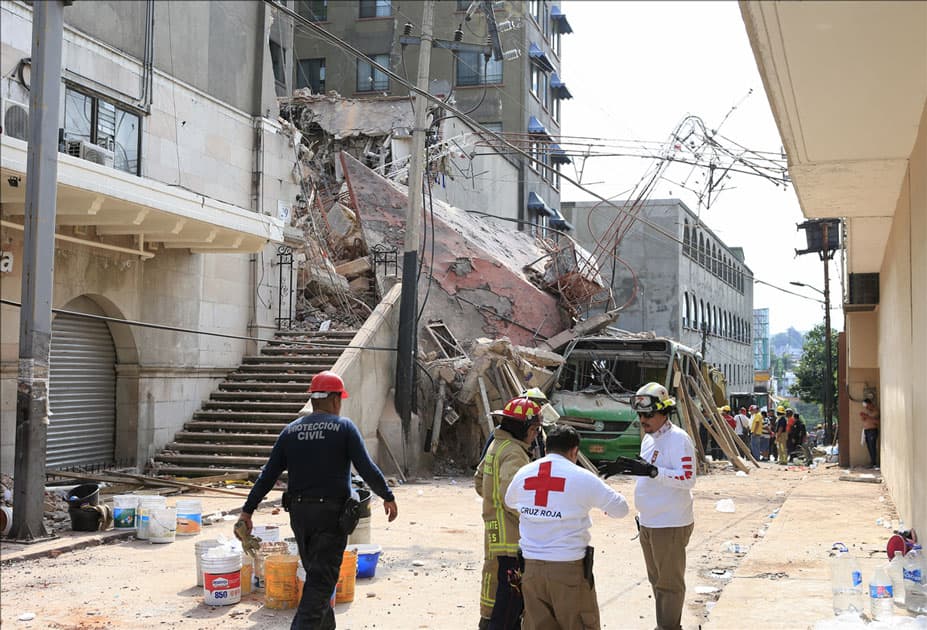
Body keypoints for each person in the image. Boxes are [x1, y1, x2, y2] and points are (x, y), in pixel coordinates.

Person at [236, 370, 398, 630]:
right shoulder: (344, 428)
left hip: (300, 518)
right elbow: (366, 468)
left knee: (318, 579)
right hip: (331, 519)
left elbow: (267, 476)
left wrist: (247, 512)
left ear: (313, 400)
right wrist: (387, 496)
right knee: (321, 584)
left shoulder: (290, 432)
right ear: (336, 400)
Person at [504, 425, 630, 630]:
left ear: (546, 450)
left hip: (532, 569)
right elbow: (621, 509)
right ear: (574, 452)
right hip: (568, 569)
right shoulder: (582, 477)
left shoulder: (525, 472)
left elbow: (510, 501)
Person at [599, 382, 696, 630]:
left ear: (665, 412)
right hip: (649, 522)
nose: (643, 419)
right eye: (640, 414)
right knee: (656, 581)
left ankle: (669, 627)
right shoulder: (649, 440)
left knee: (669, 583)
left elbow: (688, 479)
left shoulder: (678, 439)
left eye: (648, 414)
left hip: (670, 522)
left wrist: (653, 471)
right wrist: (631, 468)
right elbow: (651, 474)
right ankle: (663, 625)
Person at [475, 396, 543, 630]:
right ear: (526, 428)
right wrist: (535, 519)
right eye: (535, 430)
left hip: (495, 533)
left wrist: (491, 498)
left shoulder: (496, 445)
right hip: (511, 542)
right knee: (509, 607)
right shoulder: (515, 452)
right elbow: (511, 497)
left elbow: (478, 481)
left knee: (493, 595)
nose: (535, 435)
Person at [860, 398, 880, 468]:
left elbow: (877, 422)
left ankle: (874, 463)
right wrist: (863, 417)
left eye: (868, 406)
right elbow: (866, 420)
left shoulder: (876, 411)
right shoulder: (868, 412)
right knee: (869, 447)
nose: (867, 408)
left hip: (872, 431)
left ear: (871, 404)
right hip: (867, 431)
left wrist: (867, 417)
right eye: (866, 407)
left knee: (872, 447)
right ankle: (872, 462)